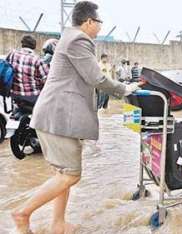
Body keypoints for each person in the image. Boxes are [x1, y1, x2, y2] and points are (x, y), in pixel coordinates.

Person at [11, 2, 141, 234]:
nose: (101, 27)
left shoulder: (68, 38)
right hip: (59, 118)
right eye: (99, 22)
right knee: (71, 174)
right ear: (89, 21)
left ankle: (58, 224)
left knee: (63, 174)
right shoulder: (79, 40)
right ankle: (23, 213)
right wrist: (125, 89)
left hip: (55, 116)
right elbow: (97, 78)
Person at [5, 35, 49, 105]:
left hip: (14, 94)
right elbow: (47, 80)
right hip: (32, 96)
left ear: (22, 43)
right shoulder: (37, 59)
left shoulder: (12, 54)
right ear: (34, 46)